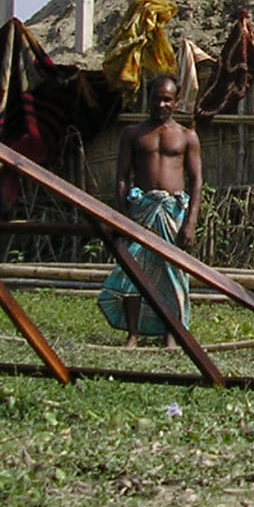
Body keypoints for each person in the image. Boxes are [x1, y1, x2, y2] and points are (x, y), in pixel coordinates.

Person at [100, 73, 203, 348]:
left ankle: (171, 334)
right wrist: (122, 214)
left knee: (172, 274)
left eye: (167, 100)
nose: (161, 105)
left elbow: (196, 182)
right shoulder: (133, 134)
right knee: (134, 271)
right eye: (156, 99)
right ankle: (133, 334)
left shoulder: (187, 136)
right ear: (149, 99)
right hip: (141, 210)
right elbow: (122, 175)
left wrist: (190, 222)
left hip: (172, 213)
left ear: (176, 101)